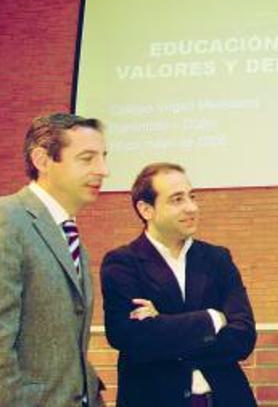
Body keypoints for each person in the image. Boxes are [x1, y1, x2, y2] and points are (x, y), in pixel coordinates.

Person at [101, 163, 257, 407]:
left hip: (224, 398)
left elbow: (243, 337)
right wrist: (212, 320)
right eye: (177, 199)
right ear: (146, 209)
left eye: (192, 197)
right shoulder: (123, 263)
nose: (191, 207)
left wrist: (161, 324)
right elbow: (131, 337)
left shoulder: (217, 259)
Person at [0, 112, 108, 406]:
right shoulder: (7, 220)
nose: (103, 170)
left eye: (103, 157)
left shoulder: (69, 234)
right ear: (42, 160)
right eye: (87, 158)